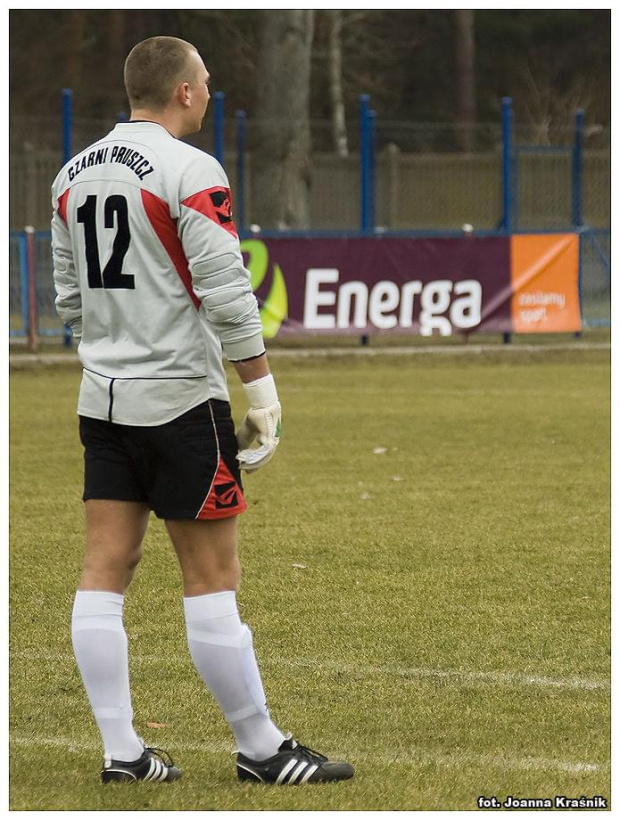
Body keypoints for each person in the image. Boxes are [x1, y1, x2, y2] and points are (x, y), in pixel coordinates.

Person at [51, 35, 353, 787]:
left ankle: (124, 753)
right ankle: (262, 750)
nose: (210, 92)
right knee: (212, 577)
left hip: (103, 402)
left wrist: (118, 347)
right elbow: (225, 289)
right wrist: (263, 392)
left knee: (103, 571)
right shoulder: (192, 169)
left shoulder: (69, 175)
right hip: (181, 403)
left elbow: (68, 301)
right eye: (206, 82)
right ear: (182, 92)